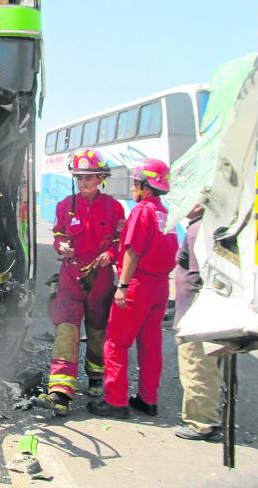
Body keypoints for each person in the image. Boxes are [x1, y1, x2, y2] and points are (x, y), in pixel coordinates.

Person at [88, 158, 179, 418]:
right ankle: (148, 400)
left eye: (136, 182)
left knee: (116, 343)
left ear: (145, 186)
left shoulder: (142, 211)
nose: (132, 187)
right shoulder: (165, 213)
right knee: (150, 345)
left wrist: (123, 285)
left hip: (138, 285)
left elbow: (132, 251)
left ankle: (115, 402)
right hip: (160, 287)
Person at [37, 149, 125, 415]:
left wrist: (109, 255)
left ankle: (96, 378)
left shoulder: (114, 207)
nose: (83, 182)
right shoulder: (65, 205)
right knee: (66, 328)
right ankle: (60, 392)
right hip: (71, 277)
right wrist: (61, 246)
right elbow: (58, 236)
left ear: (101, 178)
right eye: (79, 177)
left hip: (100, 279)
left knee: (98, 331)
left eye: (89, 177)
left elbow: (120, 243)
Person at [173, 205, 223, 441]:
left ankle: (201, 423)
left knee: (196, 366)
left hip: (195, 314)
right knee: (208, 366)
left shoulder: (197, 230)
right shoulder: (210, 225)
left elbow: (198, 277)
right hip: (207, 312)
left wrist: (191, 317)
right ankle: (209, 417)